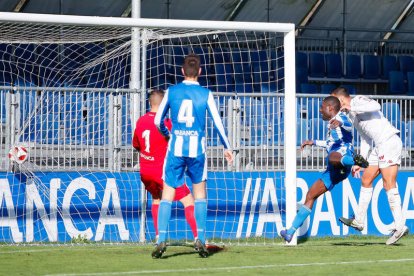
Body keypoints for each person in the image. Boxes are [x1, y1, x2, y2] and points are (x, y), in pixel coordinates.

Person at [152, 54, 233, 258]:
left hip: (176, 150)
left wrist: (168, 134)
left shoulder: (171, 92)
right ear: (200, 72)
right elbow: (217, 122)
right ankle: (201, 239)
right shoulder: (206, 94)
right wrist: (227, 146)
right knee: (200, 195)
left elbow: (158, 121)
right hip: (197, 150)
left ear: (181, 71)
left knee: (167, 195)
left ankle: (161, 239)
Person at [280, 96, 368, 243]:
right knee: (310, 195)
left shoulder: (341, 118)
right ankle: (290, 232)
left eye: (322, 107)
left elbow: (348, 125)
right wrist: (312, 142)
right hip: (332, 170)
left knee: (333, 156)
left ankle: (354, 161)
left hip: (342, 158)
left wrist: (340, 122)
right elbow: (329, 143)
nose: (320, 110)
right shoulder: (331, 125)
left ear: (330, 108)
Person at [331, 87, 409, 245]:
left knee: (389, 184)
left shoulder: (358, 101)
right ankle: (359, 221)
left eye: (334, 100)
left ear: (341, 99)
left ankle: (400, 226)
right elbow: (365, 138)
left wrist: (351, 106)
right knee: (366, 179)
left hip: (389, 141)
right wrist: (361, 162)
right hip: (378, 146)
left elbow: (377, 106)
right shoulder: (352, 115)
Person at [132, 89, 198, 243]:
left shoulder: (141, 120)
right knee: (189, 201)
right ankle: (198, 237)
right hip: (161, 171)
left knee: (157, 199)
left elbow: (136, 144)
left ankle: (158, 236)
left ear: (149, 103)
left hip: (145, 170)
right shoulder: (165, 123)